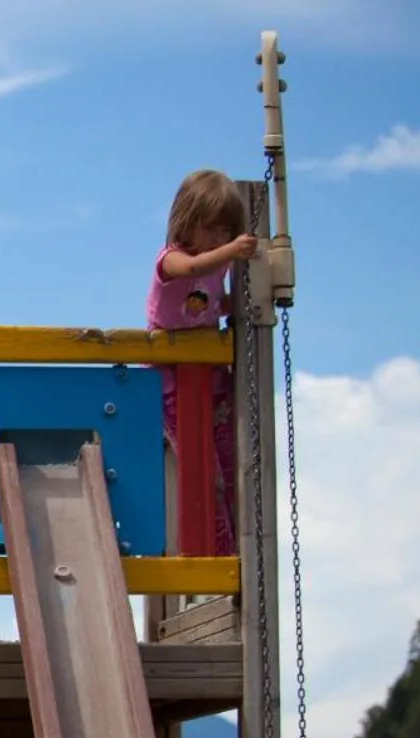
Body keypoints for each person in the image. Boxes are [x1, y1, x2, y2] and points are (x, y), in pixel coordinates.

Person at [145, 169, 257, 557]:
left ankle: (231, 547)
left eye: (225, 232)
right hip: (173, 385)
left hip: (210, 378)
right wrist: (232, 252)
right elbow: (191, 270)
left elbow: (210, 303)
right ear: (186, 223)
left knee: (231, 463)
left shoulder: (217, 265)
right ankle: (209, 553)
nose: (218, 240)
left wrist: (241, 303)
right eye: (210, 229)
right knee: (200, 468)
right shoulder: (171, 260)